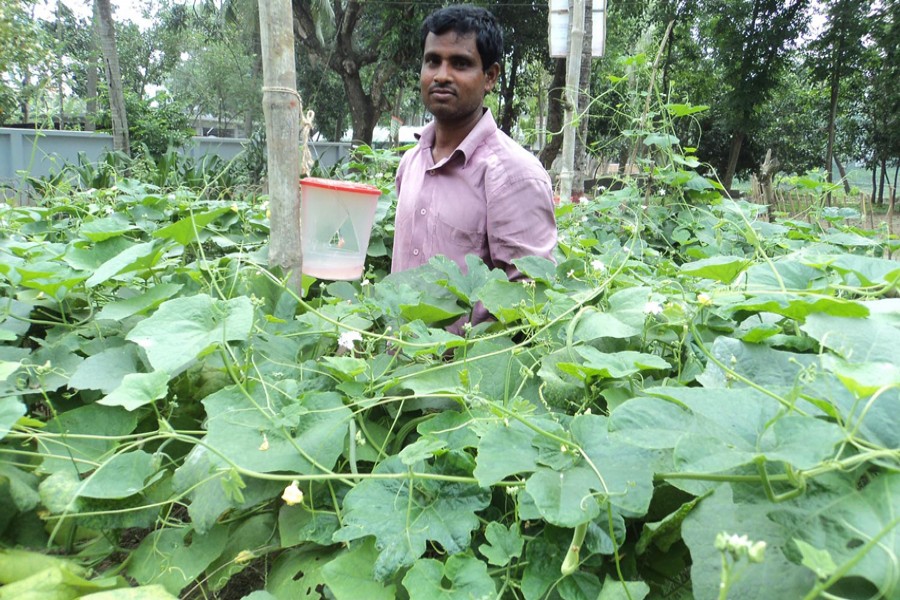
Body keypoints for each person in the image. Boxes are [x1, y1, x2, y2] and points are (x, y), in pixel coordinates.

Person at [391, 4, 557, 327]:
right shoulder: (411, 162)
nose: (441, 75)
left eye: (460, 63)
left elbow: (530, 297)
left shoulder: (514, 175)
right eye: (432, 61)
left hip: (462, 372)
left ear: (490, 77)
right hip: (393, 366)